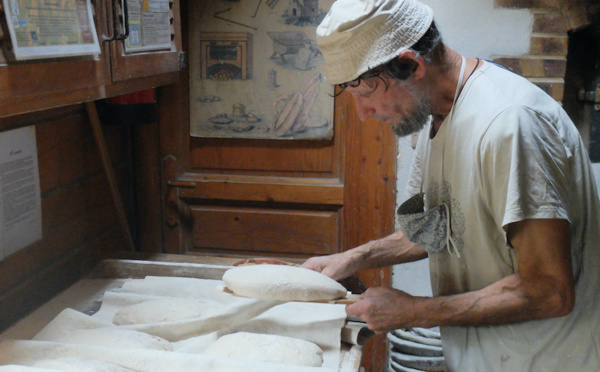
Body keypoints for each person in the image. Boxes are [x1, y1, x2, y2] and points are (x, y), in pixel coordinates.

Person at [301, 0, 600, 370]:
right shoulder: (438, 114)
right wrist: (351, 259)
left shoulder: (510, 125)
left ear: (412, 64)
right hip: (488, 357)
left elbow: (550, 291)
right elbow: (442, 228)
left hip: (546, 359)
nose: (363, 115)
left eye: (365, 95)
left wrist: (413, 311)